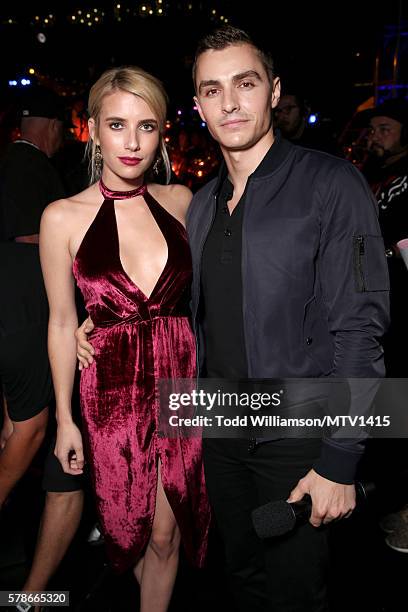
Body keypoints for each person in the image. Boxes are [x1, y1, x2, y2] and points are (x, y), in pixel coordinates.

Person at [77, 26, 389, 611]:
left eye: (244, 84)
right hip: (216, 430)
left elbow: (362, 330)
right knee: (241, 582)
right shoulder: (200, 203)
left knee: (296, 593)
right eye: (212, 90)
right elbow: (171, 306)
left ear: (273, 91)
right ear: (198, 105)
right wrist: (96, 322)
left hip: (298, 433)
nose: (230, 103)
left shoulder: (332, 183)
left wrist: (341, 458)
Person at [39, 66, 210, 612]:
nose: (132, 143)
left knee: (167, 532)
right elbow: (63, 321)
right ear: (90, 128)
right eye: (117, 124)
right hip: (110, 389)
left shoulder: (182, 201)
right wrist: (64, 418)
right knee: (124, 528)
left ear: (163, 133)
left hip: (182, 378)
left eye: (147, 126)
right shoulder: (61, 217)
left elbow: (215, 294)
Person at [0, 87, 66, 510]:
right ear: (54, 128)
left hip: (10, 312)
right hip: (22, 312)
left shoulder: (5, 160)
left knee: (11, 424)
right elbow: (33, 241)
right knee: (32, 429)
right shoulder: (34, 167)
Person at [363, 98, 408, 554]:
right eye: (372, 129)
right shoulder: (368, 174)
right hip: (377, 314)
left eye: (386, 127)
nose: (376, 135)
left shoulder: (406, 179)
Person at [274, 92, 338, 154]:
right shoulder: (276, 142)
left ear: (302, 111)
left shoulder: (321, 143)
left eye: (288, 109)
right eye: (279, 111)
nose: (282, 115)